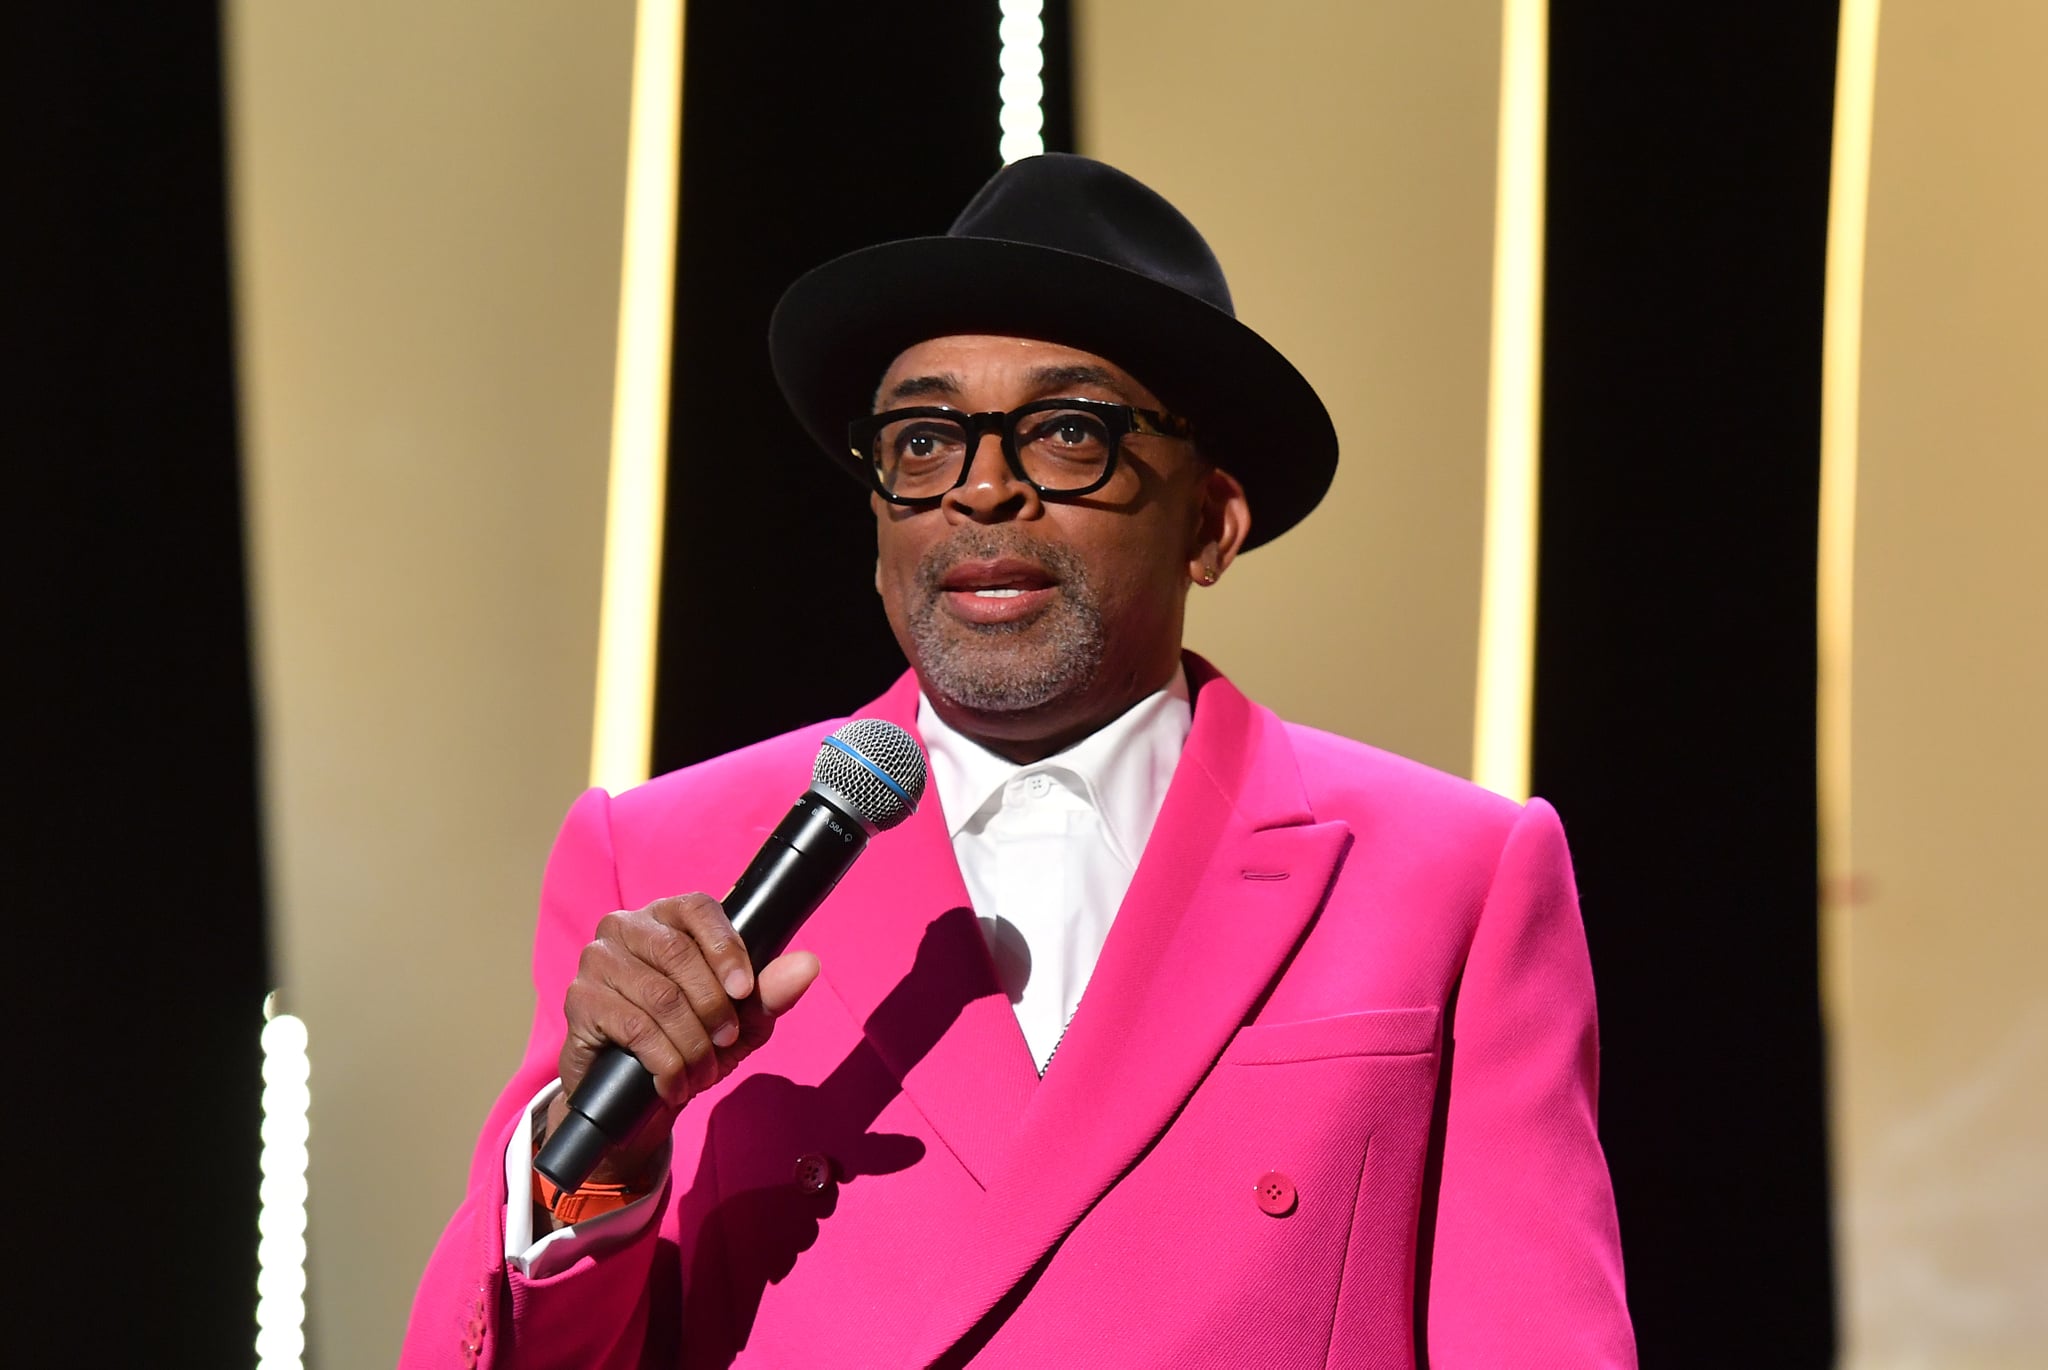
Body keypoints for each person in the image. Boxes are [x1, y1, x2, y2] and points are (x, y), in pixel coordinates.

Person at [402, 154, 1634, 1368]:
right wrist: (603, 1156)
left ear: (1210, 521)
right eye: (924, 438)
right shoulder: (663, 852)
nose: (982, 490)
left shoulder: (1451, 874)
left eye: (1065, 432)